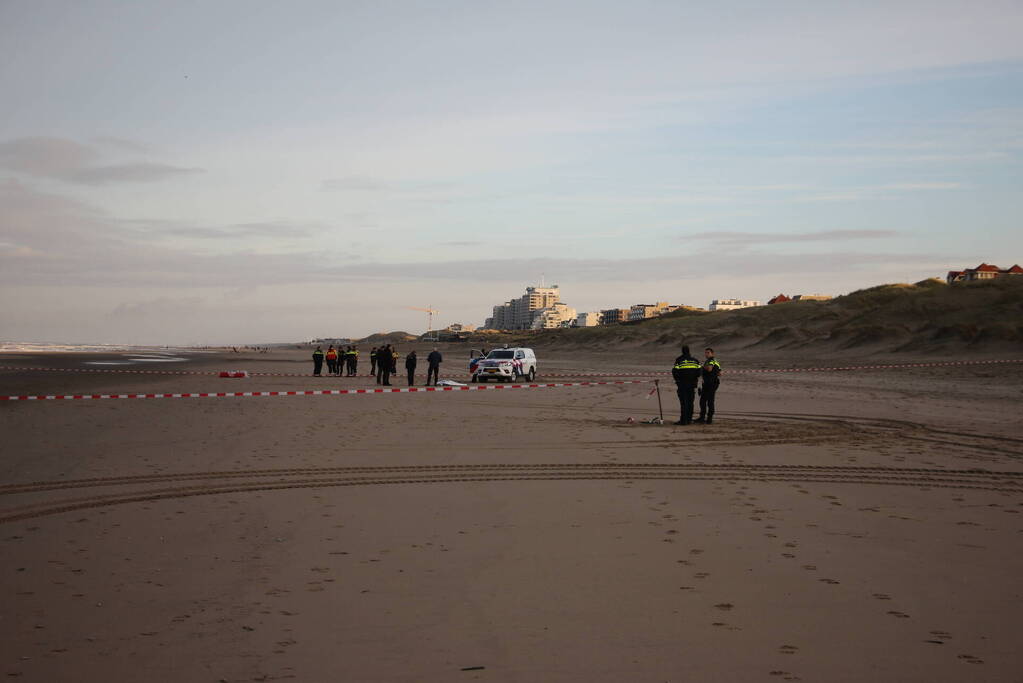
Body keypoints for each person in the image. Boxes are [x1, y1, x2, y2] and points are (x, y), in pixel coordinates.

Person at [671, 344, 702, 425]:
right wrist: (694, 378)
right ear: (689, 351)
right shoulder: (695, 360)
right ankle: (689, 419)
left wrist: (678, 381)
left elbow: (674, 372)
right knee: (690, 402)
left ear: (682, 351)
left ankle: (683, 421)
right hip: (692, 385)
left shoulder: (679, 360)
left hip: (682, 385)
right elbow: (699, 372)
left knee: (684, 403)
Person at [696, 347, 722, 424]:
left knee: (707, 401)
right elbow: (720, 373)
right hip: (711, 383)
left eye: (708, 353)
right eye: (705, 352)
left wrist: (701, 367)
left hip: (710, 384)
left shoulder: (711, 360)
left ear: (712, 353)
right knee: (705, 401)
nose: (706, 354)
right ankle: (705, 418)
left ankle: (706, 419)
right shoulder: (715, 361)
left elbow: (709, 369)